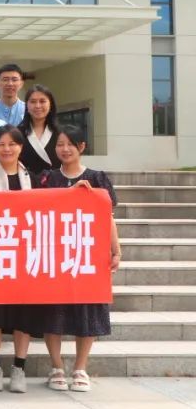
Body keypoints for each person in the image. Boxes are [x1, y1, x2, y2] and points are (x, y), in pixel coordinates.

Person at [41, 125, 121, 393]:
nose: (64, 149)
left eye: (70, 144)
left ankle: (80, 368)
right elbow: (39, 209)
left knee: (88, 311)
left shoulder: (97, 178)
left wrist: (116, 250)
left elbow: (107, 217)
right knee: (53, 312)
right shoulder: (48, 178)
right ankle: (56, 367)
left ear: (82, 147)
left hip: (88, 255)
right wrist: (69, 193)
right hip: (54, 255)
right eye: (60, 144)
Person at [0, 125, 41, 394]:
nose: (7, 149)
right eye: (1, 144)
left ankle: (19, 368)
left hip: (24, 257)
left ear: (21, 147)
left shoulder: (32, 179)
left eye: (12, 144)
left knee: (23, 314)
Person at [18, 84, 62, 175]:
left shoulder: (61, 132)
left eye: (42, 101)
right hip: (26, 182)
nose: (38, 106)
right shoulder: (17, 133)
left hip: (56, 182)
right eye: (33, 102)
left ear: (50, 104)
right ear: (27, 106)